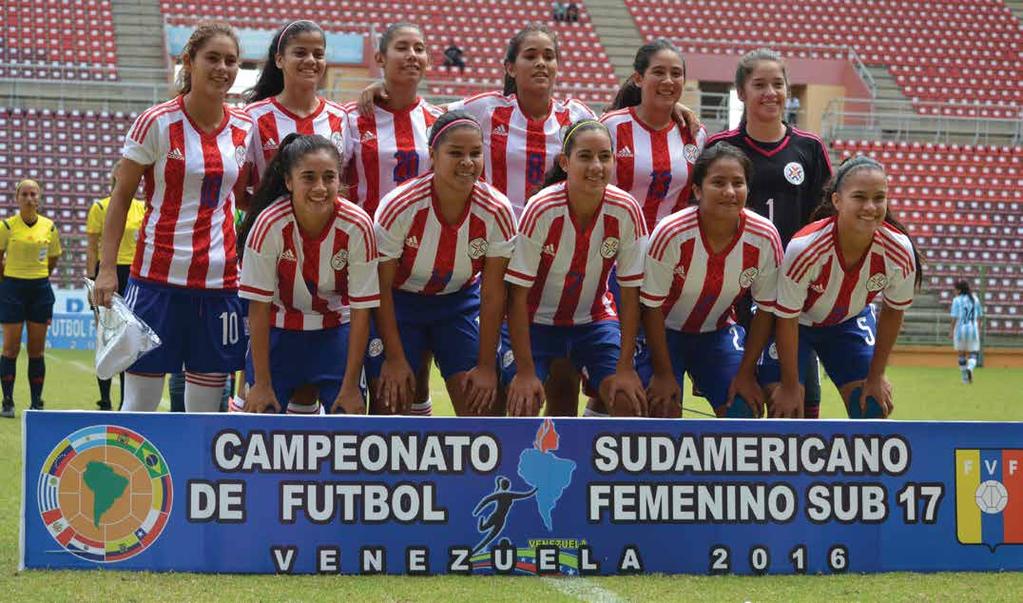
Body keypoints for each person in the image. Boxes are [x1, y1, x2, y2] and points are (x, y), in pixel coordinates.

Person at [93, 22, 255, 413]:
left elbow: (245, 196)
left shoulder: (245, 126)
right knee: (140, 405)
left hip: (219, 284)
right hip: (155, 282)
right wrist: (107, 269)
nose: (222, 68)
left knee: (203, 411)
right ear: (189, 61)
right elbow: (120, 199)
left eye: (230, 60)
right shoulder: (157, 122)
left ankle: (192, 478)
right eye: (212, 58)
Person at [706, 48, 832, 417]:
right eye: (758, 84)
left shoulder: (808, 148)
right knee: (737, 400)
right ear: (741, 92)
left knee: (797, 405)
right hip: (735, 290)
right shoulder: (720, 148)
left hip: (792, 293)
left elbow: (825, 220)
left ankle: (798, 475)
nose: (770, 92)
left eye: (777, 84)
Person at [369, 111, 516, 417]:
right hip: (400, 302)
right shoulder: (401, 206)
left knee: (483, 406)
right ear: (433, 156)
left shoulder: (497, 210)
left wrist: (487, 366)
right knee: (390, 403)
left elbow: (492, 295)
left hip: (459, 303)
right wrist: (394, 359)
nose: (467, 162)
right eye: (456, 153)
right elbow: (379, 287)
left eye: (476, 153)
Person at [759, 156, 923, 419]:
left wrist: (876, 375)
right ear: (837, 201)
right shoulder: (806, 248)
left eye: (879, 198)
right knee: (787, 410)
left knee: (870, 405)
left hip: (847, 321)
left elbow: (893, 312)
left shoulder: (899, 250)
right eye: (859, 197)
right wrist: (790, 386)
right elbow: (787, 317)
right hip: (795, 323)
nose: (870, 207)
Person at [504, 119, 648, 417]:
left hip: (592, 321)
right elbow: (516, 296)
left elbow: (632, 294)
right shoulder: (542, 208)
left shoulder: (627, 209)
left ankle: (593, 460)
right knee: (525, 402)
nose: (596, 166)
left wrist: (624, 368)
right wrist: (526, 371)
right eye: (585, 156)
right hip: (536, 321)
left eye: (605, 156)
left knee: (627, 401)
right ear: (565, 162)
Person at [236, 134, 378, 415]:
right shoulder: (269, 224)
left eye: (329, 177)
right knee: (259, 419)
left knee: (348, 419)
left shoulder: (358, 225)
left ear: (340, 180)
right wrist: (262, 382)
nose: (320, 187)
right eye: (309, 178)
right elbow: (259, 308)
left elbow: (362, 310)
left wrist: (350, 385)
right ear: (289, 182)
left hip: (335, 331)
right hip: (279, 331)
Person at [639, 144, 783, 418]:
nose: (729, 192)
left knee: (743, 407)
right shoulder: (671, 233)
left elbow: (766, 309)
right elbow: (651, 306)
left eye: (738, 183)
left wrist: (745, 374)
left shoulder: (765, 237)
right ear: (697, 190)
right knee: (661, 407)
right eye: (718, 182)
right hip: (662, 332)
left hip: (716, 332)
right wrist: (663, 373)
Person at [349, 23, 445, 416]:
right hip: (362, 263)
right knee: (361, 374)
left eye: (419, 48)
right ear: (380, 59)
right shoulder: (351, 118)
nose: (412, 55)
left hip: (419, 267)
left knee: (411, 378)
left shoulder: (440, 121)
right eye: (402, 47)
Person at [244, 20, 350, 189]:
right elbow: (238, 193)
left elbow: (344, 184)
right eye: (300, 53)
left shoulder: (340, 116)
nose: (310, 60)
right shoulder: (253, 116)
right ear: (279, 60)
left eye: (318, 54)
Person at [85, 162, 145, 410]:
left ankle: (125, 401)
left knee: (128, 338)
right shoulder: (100, 207)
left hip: (133, 274)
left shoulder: (142, 207)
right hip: (107, 272)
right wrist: (91, 279)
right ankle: (105, 399)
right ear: (113, 175)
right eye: (120, 170)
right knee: (107, 336)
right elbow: (91, 246)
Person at [0, 179, 61, 417]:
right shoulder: (6, 226)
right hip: (12, 289)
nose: (28, 198)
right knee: (11, 348)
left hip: (39, 290)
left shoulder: (50, 226)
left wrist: (38, 275)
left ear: (39, 197)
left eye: (33, 194)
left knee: (36, 351)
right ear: (17, 198)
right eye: (24, 194)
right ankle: (7, 401)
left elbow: (53, 258)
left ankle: (36, 403)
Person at [950, 279, 982, 384]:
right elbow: (979, 317)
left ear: (959, 290)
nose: (954, 291)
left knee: (961, 354)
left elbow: (954, 317)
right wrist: (979, 328)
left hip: (960, 330)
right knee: (973, 353)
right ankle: (970, 368)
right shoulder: (975, 299)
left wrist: (951, 331)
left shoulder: (956, 300)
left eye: (955, 289)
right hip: (973, 329)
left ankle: (964, 378)